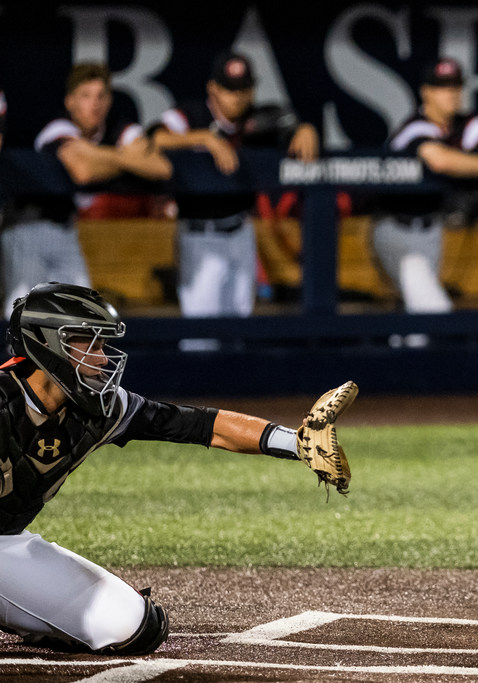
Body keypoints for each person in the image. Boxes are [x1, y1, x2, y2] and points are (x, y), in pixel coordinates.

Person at [0, 281, 354, 655]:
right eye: (89, 344)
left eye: (101, 345)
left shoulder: (103, 410)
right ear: (47, 343)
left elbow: (200, 425)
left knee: (134, 627)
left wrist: (296, 442)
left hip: (8, 543)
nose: (102, 359)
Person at [149, 51, 319, 329]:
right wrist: (205, 138)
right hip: (200, 234)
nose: (237, 97)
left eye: (244, 89)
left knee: (241, 327)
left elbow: (290, 123)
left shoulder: (260, 118)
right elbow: (155, 138)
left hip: (241, 232)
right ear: (213, 88)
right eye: (229, 89)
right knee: (201, 333)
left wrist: (306, 129)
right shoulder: (192, 114)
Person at [0, 63, 172, 318]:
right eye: (85, 96)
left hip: (67, 231)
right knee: (25, 318)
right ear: (70, 102)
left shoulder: (117, 129)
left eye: (101, 96)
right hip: (27, 229)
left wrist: (100, 155)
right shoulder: (57, 127)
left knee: (82, 318)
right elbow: (84, 171)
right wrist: (126, 157)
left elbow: (161, 167)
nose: (95, 103)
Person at [370, 57, 478, 338]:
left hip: (432, 231)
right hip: (394, 230)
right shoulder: (414, 125)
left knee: (418, 320)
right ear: (426, 92)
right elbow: (440, 160)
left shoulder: (469, 123)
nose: (450, 93)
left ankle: (404, 367)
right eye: (441, 87)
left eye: (455, 86)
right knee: (435, 313)